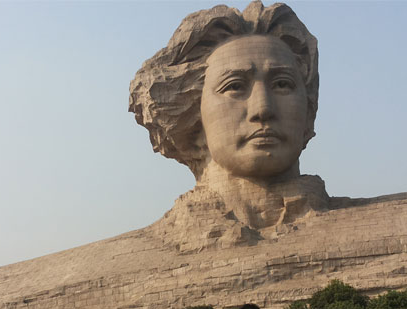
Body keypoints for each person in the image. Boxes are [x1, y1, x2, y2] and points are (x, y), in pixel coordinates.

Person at [130, 1, 329, 234]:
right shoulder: (97, 267)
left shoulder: (382, 230)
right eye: (234, 86)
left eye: (282, 84)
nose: (263, 109)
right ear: (192, 113)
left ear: (308, 107)